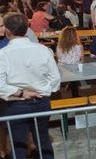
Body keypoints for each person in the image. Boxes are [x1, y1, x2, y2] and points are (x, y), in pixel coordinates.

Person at [0, 13, 60, 159]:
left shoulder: (4, 54)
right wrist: (42, 91)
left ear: (7, 30)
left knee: (18, 144)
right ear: (27, 28)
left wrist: (21, 93)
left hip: (16, 104)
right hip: (41, 101)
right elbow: (55, 79)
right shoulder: (42, 49)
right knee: (43, 140)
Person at [56, 26, 83, 97]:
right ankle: (75, 95)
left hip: (62, 70)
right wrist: (81, 72)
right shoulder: (79, 46)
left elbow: (58, 58)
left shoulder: (59, 47)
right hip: (74, 70)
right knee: (76, 71)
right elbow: (82, 61)